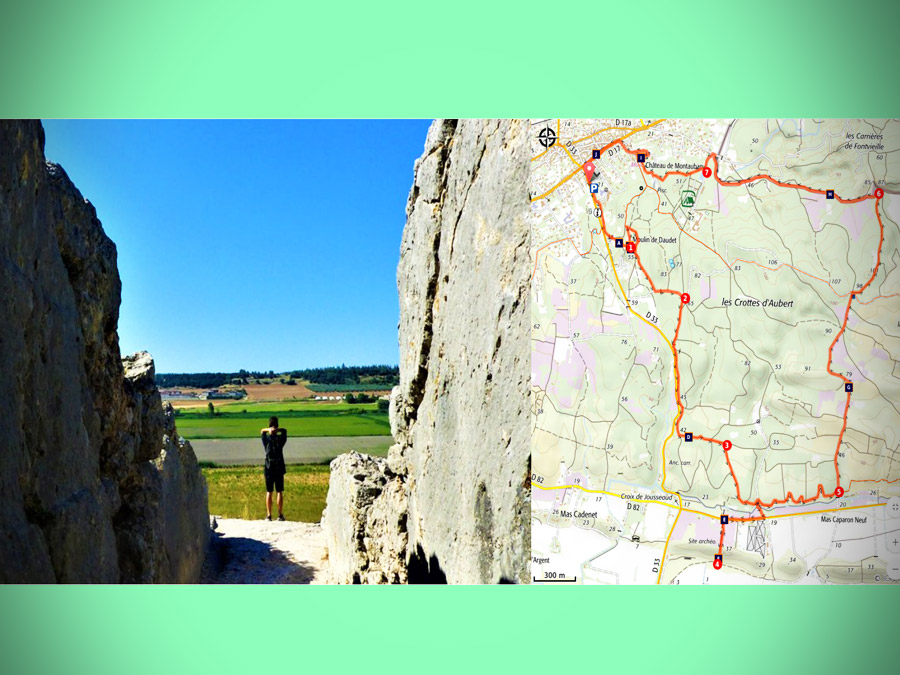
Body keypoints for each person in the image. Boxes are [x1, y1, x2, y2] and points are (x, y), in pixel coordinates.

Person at [260, 416, 287, 521]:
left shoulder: (266, 440)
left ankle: (269, 515)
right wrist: (277, 429)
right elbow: (285, 431)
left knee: (269, 491)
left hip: (268, 467)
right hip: (279, 467)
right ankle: (280, 515)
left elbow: (261, 431)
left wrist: (268, 430)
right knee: (279, 491)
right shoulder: (280, 439)